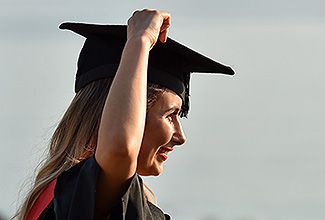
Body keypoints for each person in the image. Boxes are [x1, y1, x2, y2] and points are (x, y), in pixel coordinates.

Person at [14, 9, 234, 220]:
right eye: (170, 115)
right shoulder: (81, 189)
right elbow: (120, 149)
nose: (180, 136)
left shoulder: (56, 191)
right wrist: (140, 41)